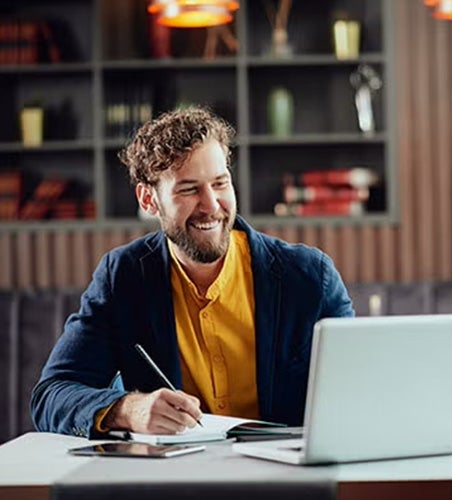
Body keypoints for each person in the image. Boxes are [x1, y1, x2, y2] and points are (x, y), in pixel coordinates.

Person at [30, 106, 355, 438]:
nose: (212, 205)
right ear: (148, 200)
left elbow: (361, 390)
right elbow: (51, 396)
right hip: (174, 478)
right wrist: (128, 409)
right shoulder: (123, 277)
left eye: (220, 183)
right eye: (189, 189)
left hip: (288, 477)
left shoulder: (310, 276)